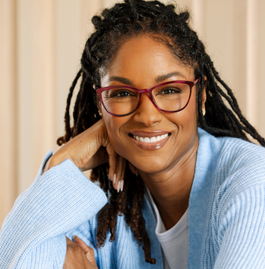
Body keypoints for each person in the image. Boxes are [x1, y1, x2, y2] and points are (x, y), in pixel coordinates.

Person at [1, 0, 265, 268]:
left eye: (170, 89)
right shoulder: (105, 214)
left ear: (202, 94)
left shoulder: (253, 184)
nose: (148, 116)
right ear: (99, 104)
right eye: (123, 94)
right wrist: (59, 166)